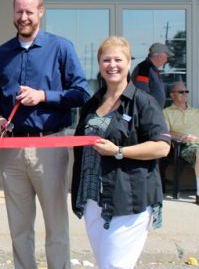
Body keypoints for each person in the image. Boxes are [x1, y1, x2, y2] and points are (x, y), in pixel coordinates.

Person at [0, 0, 90, 269]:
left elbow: (81, 92)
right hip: (12, 148)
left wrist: (43, 96)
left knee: (56, 225)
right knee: (19, 227)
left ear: (41, 12)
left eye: (29, 11)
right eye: (19, 11)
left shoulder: (61, 47)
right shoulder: (2, 53)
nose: (23, 17)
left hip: (50, 146)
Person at [71, 36, 171, 268]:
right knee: (106, 263)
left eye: (118, 59)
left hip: (129, 197)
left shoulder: (143, 102)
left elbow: (162, 146)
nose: (112, 65)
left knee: (115, 265)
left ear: (128, 62)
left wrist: (119, 151)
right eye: (106, 60)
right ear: (99, 65)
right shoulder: (92, 103)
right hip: (93, 197)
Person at [163, 82, 199, 206]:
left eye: (186, 91)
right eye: (181, 92)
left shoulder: (196, 112)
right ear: (172, 95)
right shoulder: (167, 112)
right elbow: (165, 133)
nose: (185, 94)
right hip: (186, 147)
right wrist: (181, 137)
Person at [131, 42, 174, 108]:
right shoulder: (144, 68)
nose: (166, 60)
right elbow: (141, 94)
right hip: (147, 113)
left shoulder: (151, 69)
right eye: (166, 57)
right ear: (160, 56)